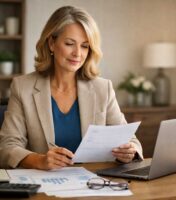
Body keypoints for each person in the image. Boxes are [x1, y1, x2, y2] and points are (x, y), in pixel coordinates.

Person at [0, 6, 143, 169]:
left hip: (93, 185)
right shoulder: (22, 87)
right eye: (69, 43)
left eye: (85, 46)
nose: (78, 53)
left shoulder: (103, 88)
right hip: (45, 185)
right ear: (52, 43)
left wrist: (130, 152)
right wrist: (39, 160)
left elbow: (131, 141)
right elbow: (6, 147)